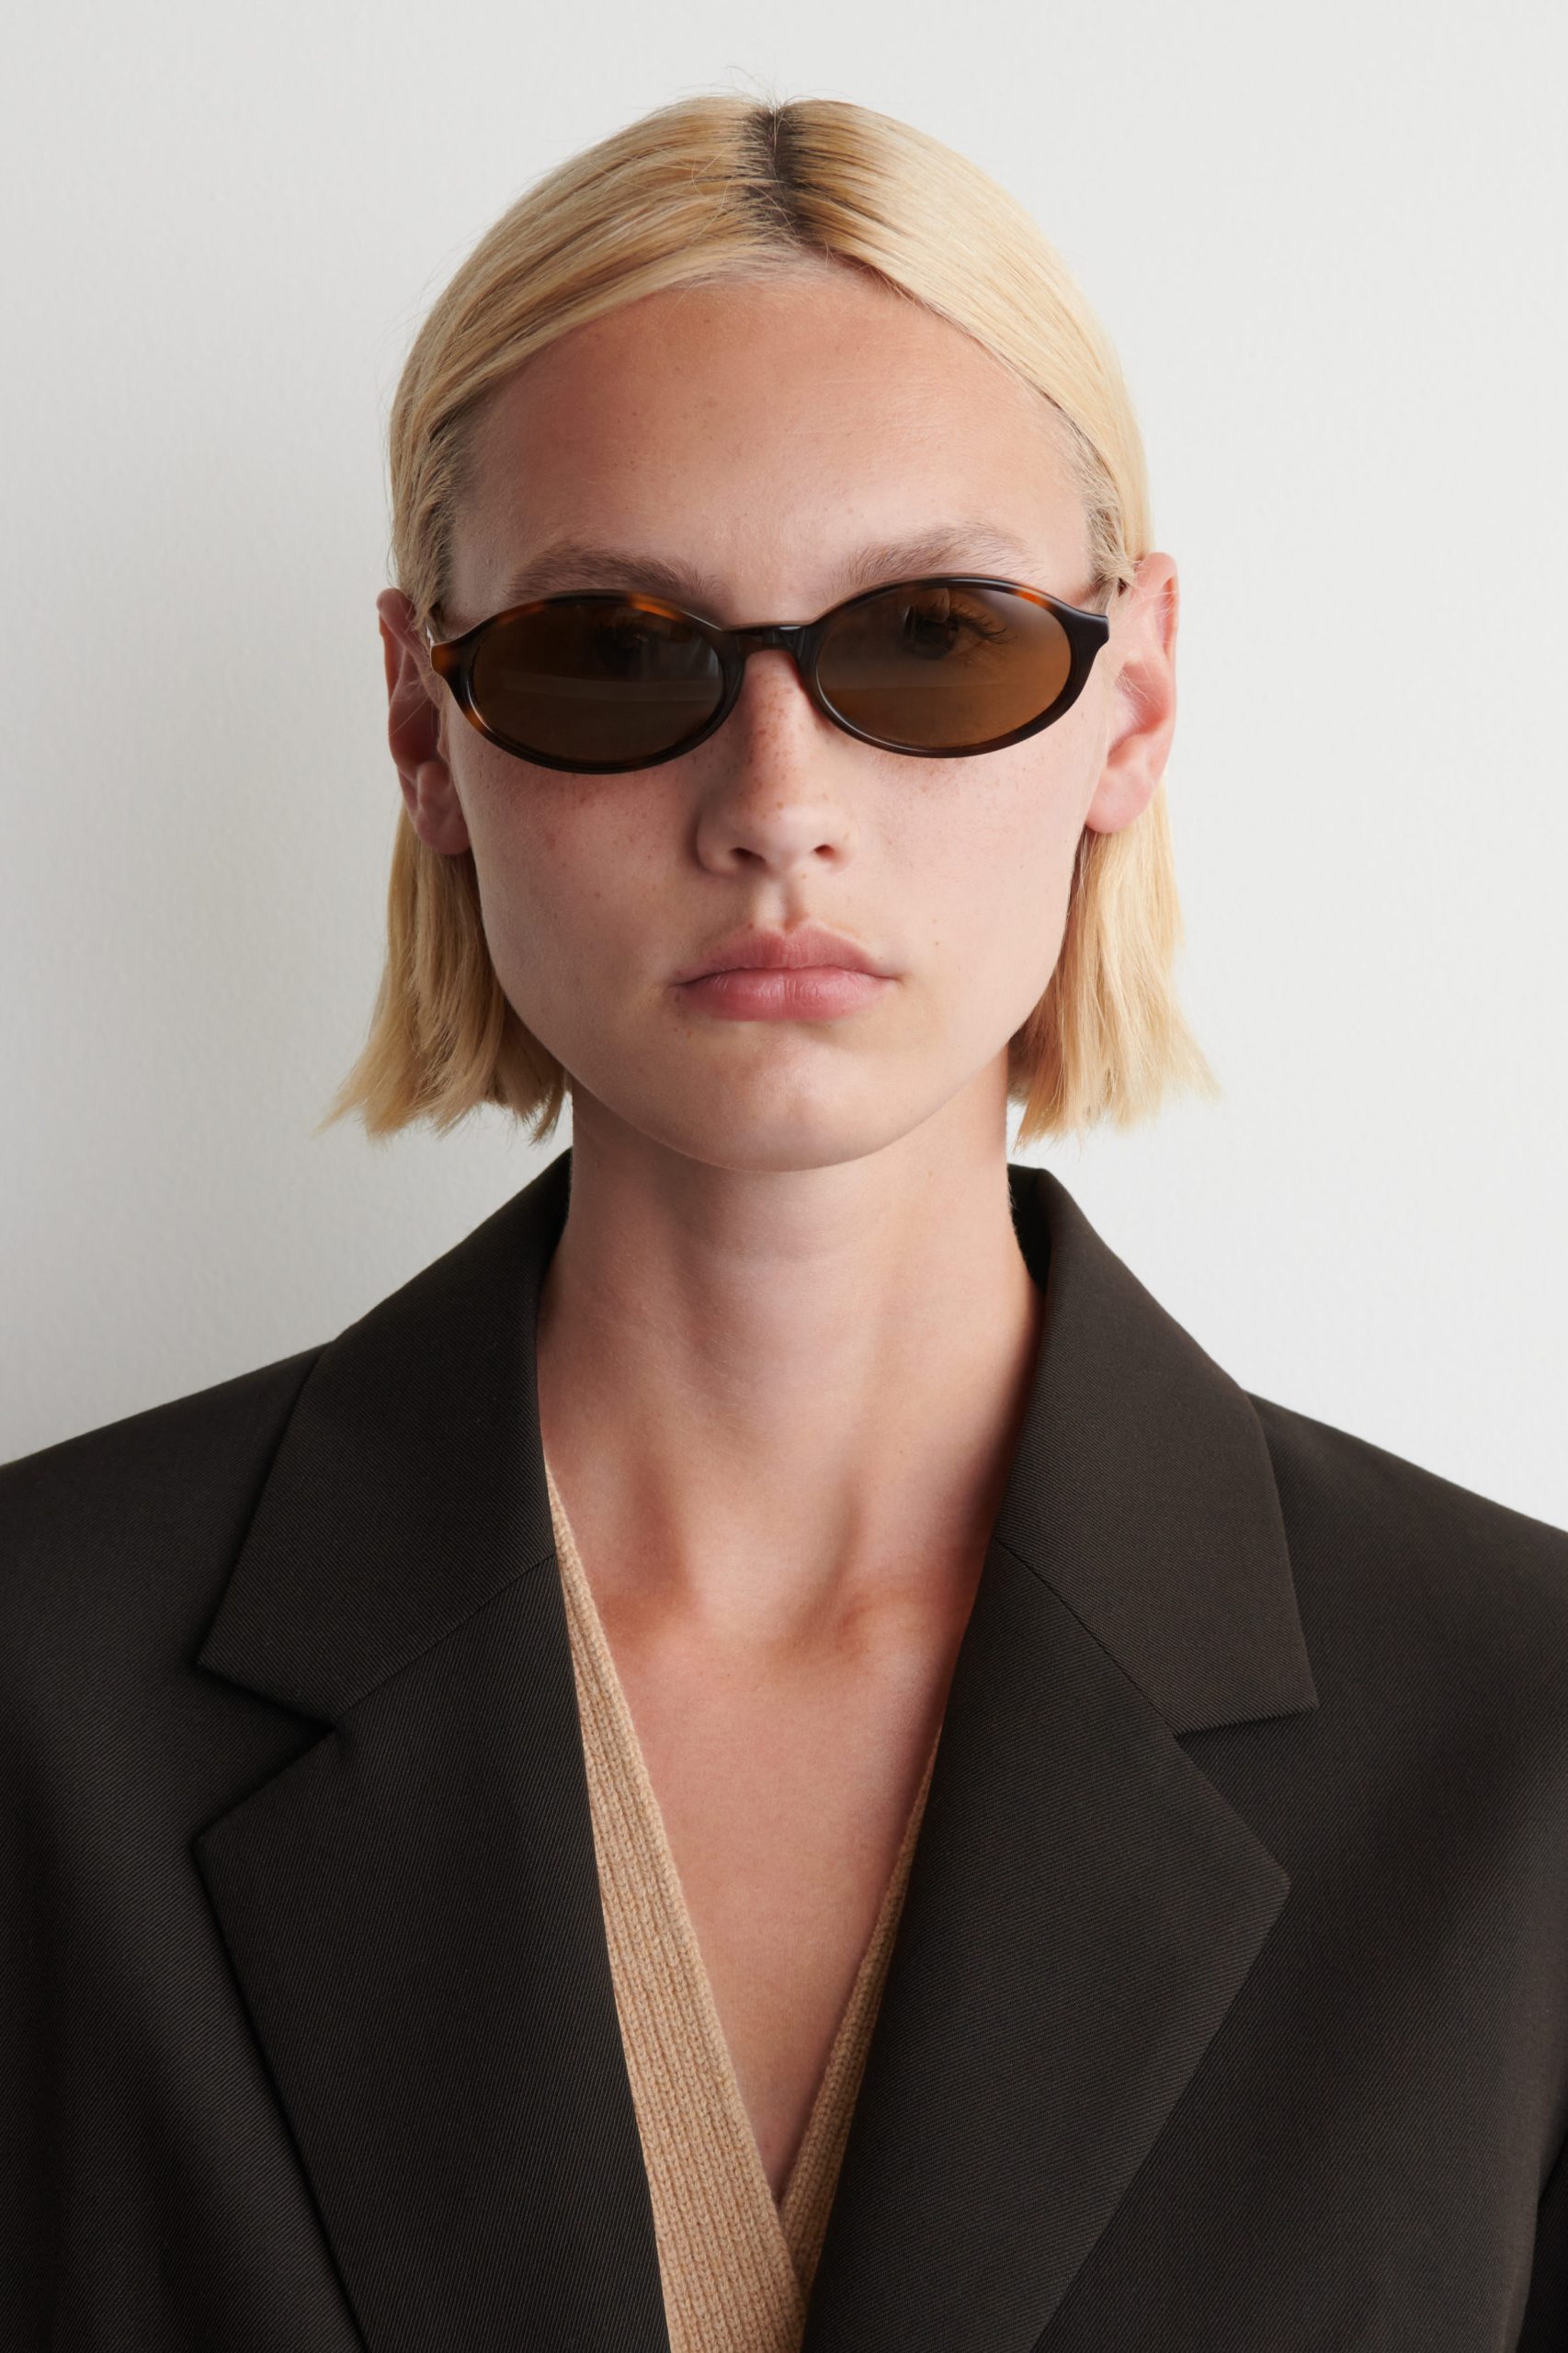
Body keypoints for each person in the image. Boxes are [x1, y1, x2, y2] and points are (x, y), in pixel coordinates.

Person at [2, 89, 1564, 2353]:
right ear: (424, 733)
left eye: (931, 638)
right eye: (611, 652)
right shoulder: (36, 1698)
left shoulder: (1524, 1747)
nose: (777, 805)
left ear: (1131, 703)